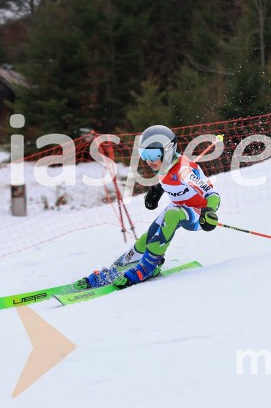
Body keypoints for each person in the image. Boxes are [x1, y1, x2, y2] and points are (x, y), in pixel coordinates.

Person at [74, 124, 220, 290]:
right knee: (147, 238)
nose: (149, 160)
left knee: (172, 214)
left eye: (153, 154)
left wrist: (210, 212)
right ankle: (115, 270)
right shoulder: (164, 166)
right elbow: (173, 182)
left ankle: (149, 265)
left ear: (168, 150)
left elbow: (213, 195)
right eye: (144, 154)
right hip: (179, 207)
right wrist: (158, 189)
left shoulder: (185, 171)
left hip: (197, 214)